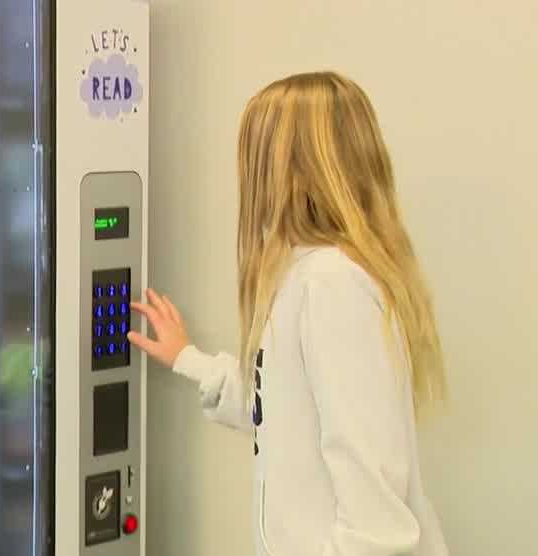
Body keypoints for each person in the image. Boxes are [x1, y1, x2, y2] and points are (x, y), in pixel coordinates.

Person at [128, 72, 449, 555]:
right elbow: (283, 411)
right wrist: (186, 357)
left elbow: (376, 522)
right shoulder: (307, 276)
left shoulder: (333, 285)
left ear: (285, 170)